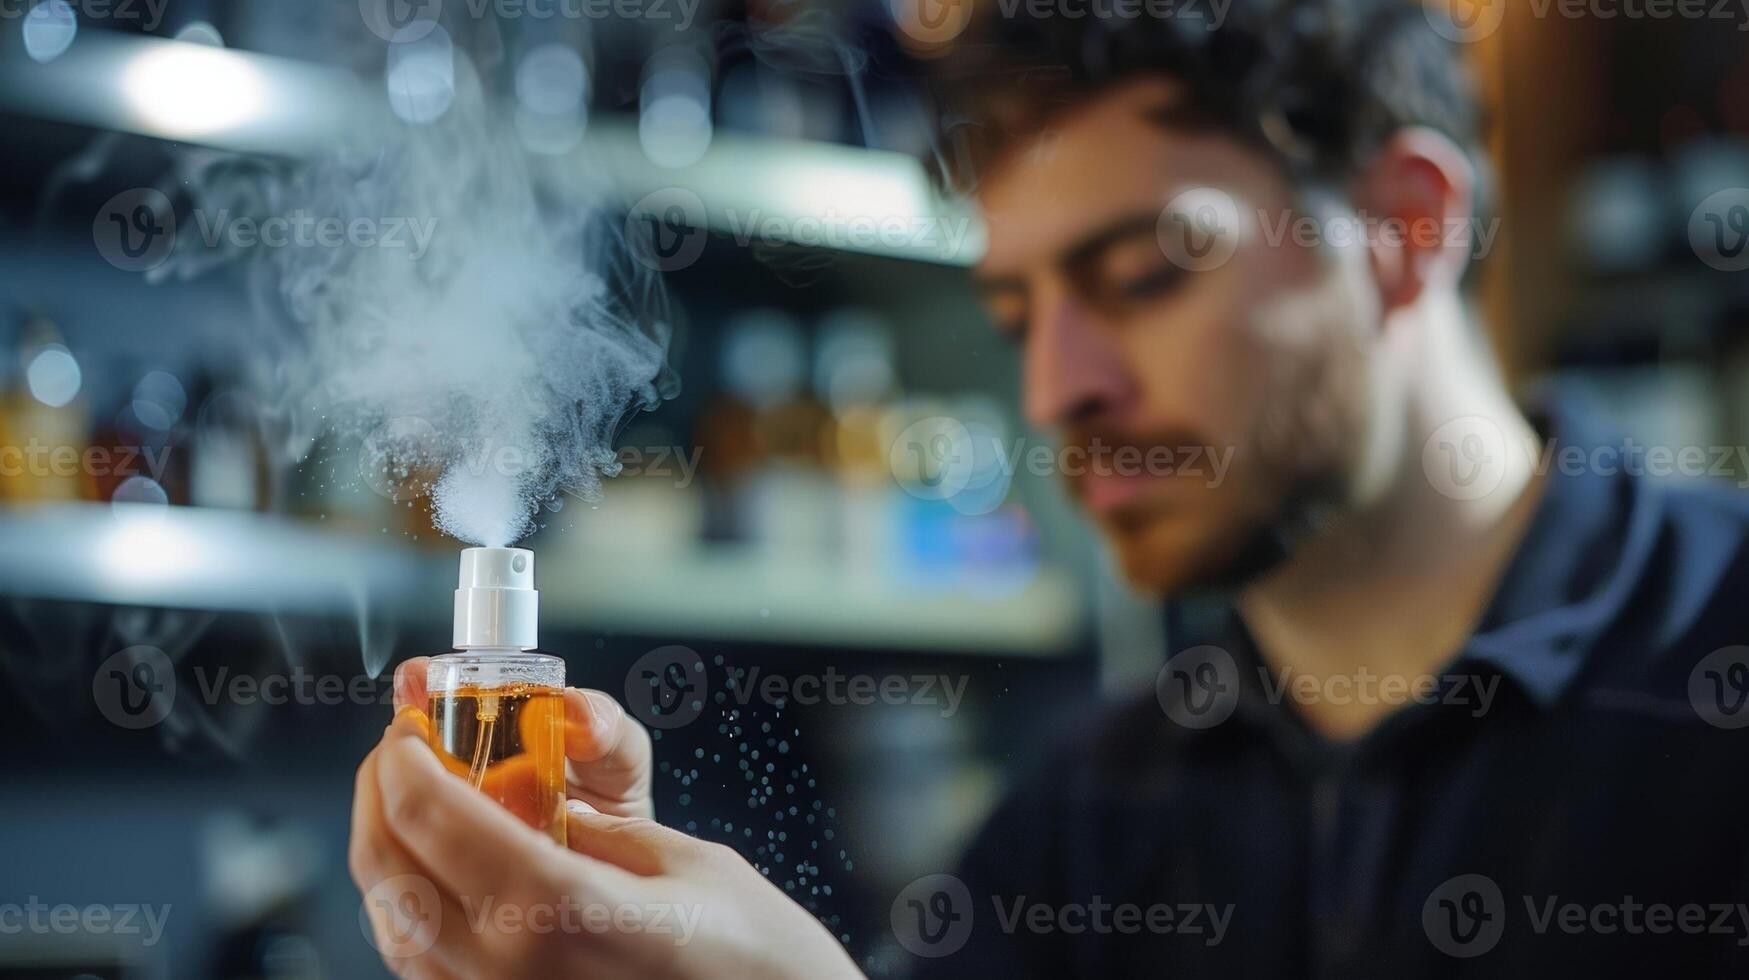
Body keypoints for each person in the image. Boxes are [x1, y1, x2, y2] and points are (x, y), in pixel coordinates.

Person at [351, 1, 1749, 976]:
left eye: (1143, 272)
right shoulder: (1079, 825)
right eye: (1019, 315)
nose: (1054, 391)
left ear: (1400, 228)